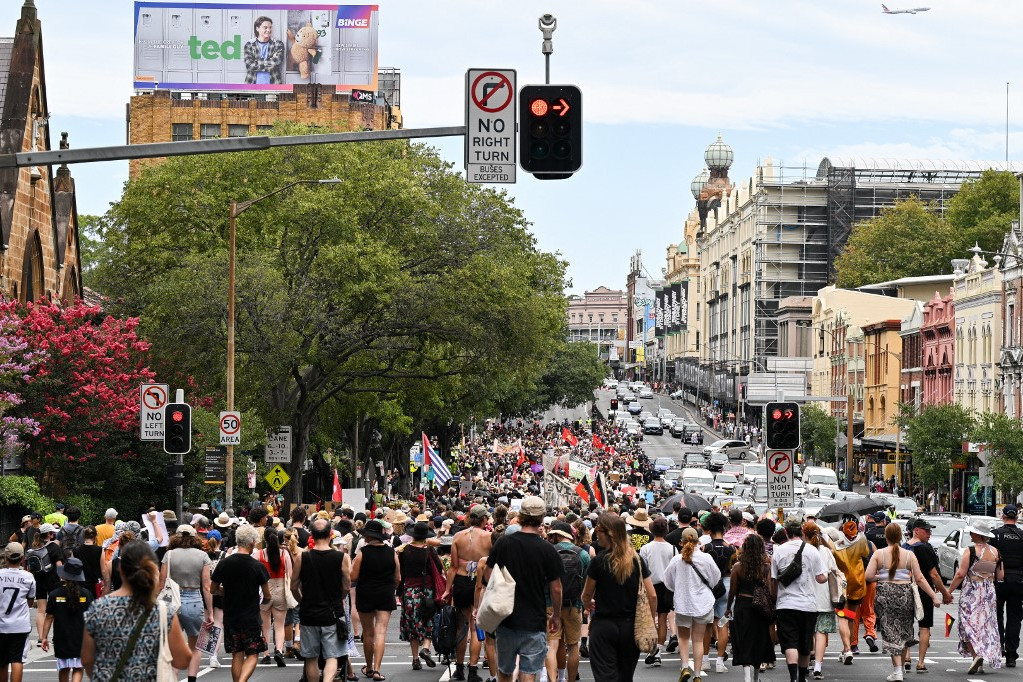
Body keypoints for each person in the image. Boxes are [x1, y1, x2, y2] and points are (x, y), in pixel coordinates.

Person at [82, 540, 192, 680]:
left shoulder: (98, 608)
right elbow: (182, 660)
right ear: (153, 570)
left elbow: (87, 659)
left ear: (120, 569)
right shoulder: (162, 611)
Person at [485, 496, 564, 682]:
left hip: (505, 618)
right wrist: (557, 615)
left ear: (520, 517)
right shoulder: (548, 549)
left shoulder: (504, 544)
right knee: (529, 672)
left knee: (504, 670)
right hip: (534, 620)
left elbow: (488, 576)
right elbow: (557, 588)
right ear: (542, 518)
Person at [580, 512, 654, 682]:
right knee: (625, 676)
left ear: (608, 533)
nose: (595, 532)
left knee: (605, 676)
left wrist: (587, 603)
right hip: (630, 626)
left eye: (598, 529)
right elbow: (652, 594)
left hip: (604, 625)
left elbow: (586, 594)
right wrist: (649, 618)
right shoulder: (637, 560)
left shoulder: (599, 561)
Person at [865, 522, 942, 682]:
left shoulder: (879, 554)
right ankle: (902, 666)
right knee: (903, 631)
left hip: (885, 595)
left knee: (891, 632)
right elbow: (920, 578)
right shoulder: (908, 554)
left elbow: (868, 576)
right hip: (904, 594)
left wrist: (881, 577)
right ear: (900, 536)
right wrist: (934, 597)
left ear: (886, 537)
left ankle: (897, 670)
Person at [291, 518, 352, 682]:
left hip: (309, 612)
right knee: (332, 656)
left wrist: (302, 600)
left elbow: (293, 586)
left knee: (311, 657)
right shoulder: (342, 558)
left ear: (311, 534)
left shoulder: (302, 558)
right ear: (330, 534)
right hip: (332, 612)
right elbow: (346, 586)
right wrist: (339, 599)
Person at [211, 523, 271, 682]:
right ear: (252, 542)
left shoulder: (224, 563)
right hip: (250, 616)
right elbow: (267, 595)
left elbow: (213, 589)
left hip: (231, 616)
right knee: (253, 653)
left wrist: (227, 591)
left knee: (237, 653)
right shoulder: (257, 566)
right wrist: (262, 602)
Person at [771, 518, 828, 682]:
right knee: (804, 645)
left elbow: (774, 579)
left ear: (786, 532)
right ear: (802, 532)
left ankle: (793, 677)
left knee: (790, 642)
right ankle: (802, 677)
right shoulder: (812, 551)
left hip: (785, 604)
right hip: (808, 605)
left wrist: (775, 600)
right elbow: (820, 578)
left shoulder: (779, 551)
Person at [662, 526, 719, 682]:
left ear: (682, 542)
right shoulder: (707, 558)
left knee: (684, 638)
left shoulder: (676, 560)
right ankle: (698, 675)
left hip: (683, 603)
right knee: (698, 640)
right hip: (703, 603)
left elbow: (667, 581)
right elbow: (715, 578)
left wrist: (679, 588)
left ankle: (685, 667)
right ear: (698, 540)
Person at [948, 519, 1004, 674]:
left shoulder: (970, 551)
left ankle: (976, 655)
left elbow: (960, 574)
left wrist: (949, 591)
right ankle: (980, 662)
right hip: (988, 591)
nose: (971, 534)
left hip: (971, 591)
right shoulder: (995, 552)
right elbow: (1000, 575)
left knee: (967, 624)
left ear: (977, 534)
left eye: (972, 532)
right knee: (985, 626)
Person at [162, 524, 214, 682]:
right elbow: (206, 586)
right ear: (194, 537)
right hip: (193, 600)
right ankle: (192, 679)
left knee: (172, 648)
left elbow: (161, 582)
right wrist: (210, 612)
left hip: (172, 601)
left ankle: (173, 677)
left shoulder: (169, 555)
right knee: (196, 645)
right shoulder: (202, 556)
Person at [445, 504, 492, 681]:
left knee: (461, 626)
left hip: (461, 582)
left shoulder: (458, 536)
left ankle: (459, 668)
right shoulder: (489, 538)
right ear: (483, 520)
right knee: (476, 627)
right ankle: (473, 670)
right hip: (480, 584)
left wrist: (447, 590)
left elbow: (453, 567)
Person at [903, 518, 953, 674]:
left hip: (905, 589)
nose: (930, 533)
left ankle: (907, 657)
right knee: (924, 626)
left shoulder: (903, 547)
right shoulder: (925, 548)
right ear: (916, 530)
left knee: (907, 624)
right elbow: (934, 574)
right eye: (927, 530)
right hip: (923, 591)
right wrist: (944, 593)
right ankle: (921, 662)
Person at [352, 519, 399, 681]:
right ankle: (378, 670)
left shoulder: (362, 553)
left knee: (368, 633)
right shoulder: (391, 552)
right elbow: (398, 577)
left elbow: (353, 576)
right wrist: (390, 587)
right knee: (381, 632)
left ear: (369, 536)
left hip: (366, 592)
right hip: (385, 593)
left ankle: (369, 667)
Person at [725, 533, 775, 682]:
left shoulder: (738, 567)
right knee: (759, 641)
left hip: (743, 605)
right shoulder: (766, 566)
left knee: (744, 640)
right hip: (760, 607)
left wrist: (728, 608)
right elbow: (769, 589)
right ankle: (756, 676)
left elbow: (732, 591)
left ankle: (747, 676)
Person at [546, 521, 588, 682]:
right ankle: (570, 679)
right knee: (573, 646)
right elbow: (587, 582)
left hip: (550, 603)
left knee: (553, 644)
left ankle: (552, 679)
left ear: (557, 534)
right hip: (574, 605)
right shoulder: (582, 554)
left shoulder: (549, 552)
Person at [397, 521, 442, 672]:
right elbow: (439, 568)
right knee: (428, 619)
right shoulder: (429, 551)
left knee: (411, 625)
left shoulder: (404, 551)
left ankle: (415, 659)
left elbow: (401, 574)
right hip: (426, 590)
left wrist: (399, 592)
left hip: (409, 591)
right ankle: (426, 648)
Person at [41, 557, 92, 682]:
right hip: (80, 637)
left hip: (61, 637)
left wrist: (44, 637)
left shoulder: (54, 594)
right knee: (78, 668)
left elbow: (49, 617)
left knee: (63, 668)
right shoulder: (86, 594)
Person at [830, 514, 873, 662]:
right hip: (858, 582)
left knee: (842, 616)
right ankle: (847, 646)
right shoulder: (862, 539)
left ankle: (847, 648)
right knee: (851, 617)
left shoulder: (836, 541)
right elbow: (866, 554)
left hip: (841, 584)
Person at [701, 511, 735, 674]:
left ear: (708, 529)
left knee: (707, 625)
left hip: (708, 587)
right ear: (723, 527)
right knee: (723, 625)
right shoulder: (731, 549)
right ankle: (720, 662)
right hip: (726, 584)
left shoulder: (705, 548)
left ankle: (705, 660)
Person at [639, 516, 676, 666]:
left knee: (650, 619)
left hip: (650, 586)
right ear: (666, 531)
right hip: (667, 587)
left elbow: (642, 571)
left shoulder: (646, 548)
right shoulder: (673, 548)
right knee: (662, 619)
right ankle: (658, 652)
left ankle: (653, 649)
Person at [804, 523, 838, 681]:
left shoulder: (802, 551)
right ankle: (817, 666)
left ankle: (805, 662)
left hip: (805, 597)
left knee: (807, 631)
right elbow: (835, 571)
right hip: (824, 597)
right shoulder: (825, 551)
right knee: (821, 632)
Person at [991, 503, 1023, 667]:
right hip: (1018, 581)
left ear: (1002, 517)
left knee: (996, 616)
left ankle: (998, 648)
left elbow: (989, 558)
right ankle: (1011, 654)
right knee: (1015, 618)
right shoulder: (1022, 535)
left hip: (998, 580)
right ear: (1016, 517)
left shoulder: (995, 535)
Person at [253, 526, 290, 666]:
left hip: (264, 591)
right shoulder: (284, 554)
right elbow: (290, 575)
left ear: (265, 539)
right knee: (280, 625)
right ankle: (279, 650)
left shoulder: (259, 554)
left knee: (265, 624)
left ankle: (266, 653)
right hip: (280, 590)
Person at [0, 543, 35, 682]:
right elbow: (30, 601)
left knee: (2, 662)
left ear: (6, 557)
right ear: (22, 558)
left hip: (1, 624)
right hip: (19, 624)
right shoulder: (28, 577)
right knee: (17, 660)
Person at [28, 522, 62, 648]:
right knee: (56, 610)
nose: (53, 534)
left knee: (41, 611)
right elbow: (59, 565)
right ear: (49, 534)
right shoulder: (53, 547)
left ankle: (40, 637)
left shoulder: (34, 547)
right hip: (54, 582)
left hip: (39, 581)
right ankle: (55, 636)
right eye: (52, 533)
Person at [243, 16, 285, 85]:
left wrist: (257, 63)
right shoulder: (249, 45)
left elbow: (276, 62)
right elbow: (249, 65)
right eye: (265, 27)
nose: (268, 30)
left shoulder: (277, 44)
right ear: (257, 28)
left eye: (270, 27)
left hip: (274, 83)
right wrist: (270, 62)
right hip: (252, 83)